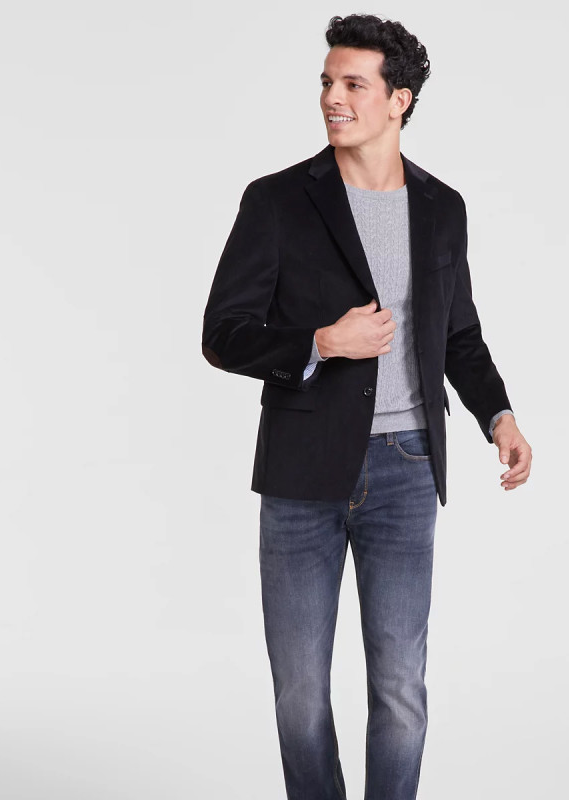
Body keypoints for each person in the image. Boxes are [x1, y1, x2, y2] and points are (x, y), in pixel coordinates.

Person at [201, 13, 532, 800]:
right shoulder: (278, 201)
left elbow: (458, 333)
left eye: (353, 83)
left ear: (399, 100)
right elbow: (223, 333)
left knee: (400, 691)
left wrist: (499, 416)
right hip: (300, 476)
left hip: (407, 469)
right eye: (327, 82)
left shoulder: (442, 207)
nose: (333, 97)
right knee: (299, 696)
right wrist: (321, 342)